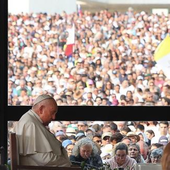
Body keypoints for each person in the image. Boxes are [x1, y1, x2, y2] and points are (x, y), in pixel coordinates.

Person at [14, 94, 72, 167]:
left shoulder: (34, 121)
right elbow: (42, 159)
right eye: (52, 113)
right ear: (41, 109)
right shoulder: (30, 124)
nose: (54, 117)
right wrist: (65, 163)